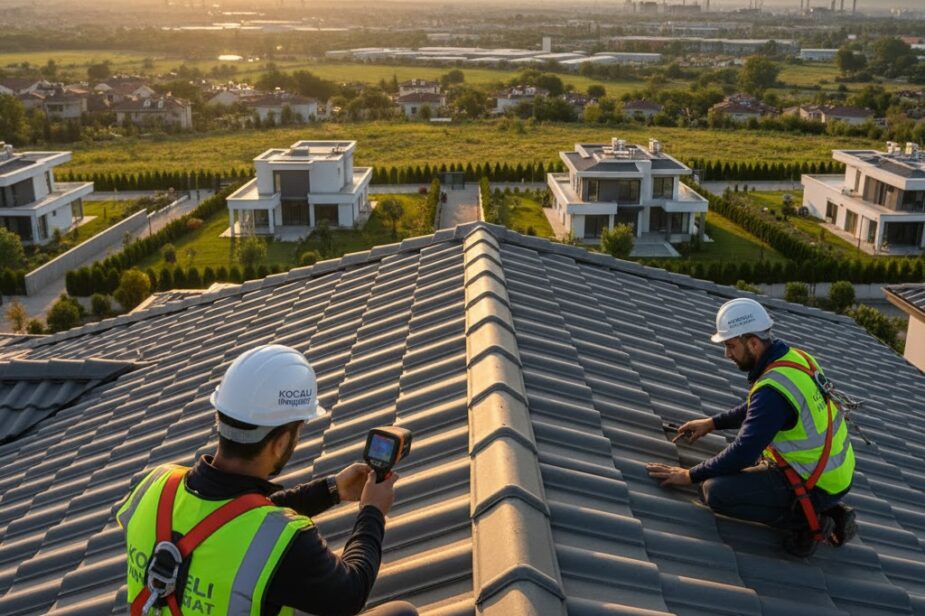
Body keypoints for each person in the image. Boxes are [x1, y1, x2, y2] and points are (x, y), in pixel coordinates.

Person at [117, 344, 417, 615]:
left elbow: (230, 517)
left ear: (219, 418)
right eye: (298, 431)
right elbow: (350, 594)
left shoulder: (155, 485)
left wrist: (332, 490)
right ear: (280, 441)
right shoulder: (288, 542)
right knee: (400, 613)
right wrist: (372, 512)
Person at [646, 298, 857, 557]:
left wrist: (689, 476)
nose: (728, 354)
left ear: (753, 343)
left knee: (715, 492)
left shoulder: (773, 389)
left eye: (731, 346)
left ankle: (808, 523)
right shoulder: (797, 359)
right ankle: (821, 507)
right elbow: (762, 411)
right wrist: (713, 423)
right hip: (834, 472)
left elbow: (743, 451)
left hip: (816, 480)